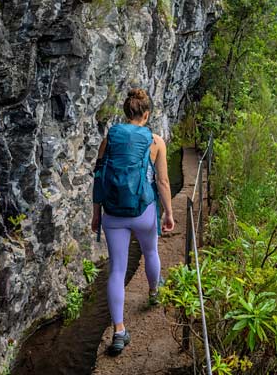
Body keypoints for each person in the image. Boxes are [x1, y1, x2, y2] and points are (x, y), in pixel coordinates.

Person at [90, 88, 175, 355]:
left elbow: (99, 177)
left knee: (117, 269)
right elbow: (162, 181)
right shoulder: (155, 141)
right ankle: (153, 292)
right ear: (146, 114)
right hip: (143, 212)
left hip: (113, 214)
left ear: (127, 112)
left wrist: (96, 214)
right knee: (150, 251)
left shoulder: (110, 139)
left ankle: (119, 331)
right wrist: (169, 213)